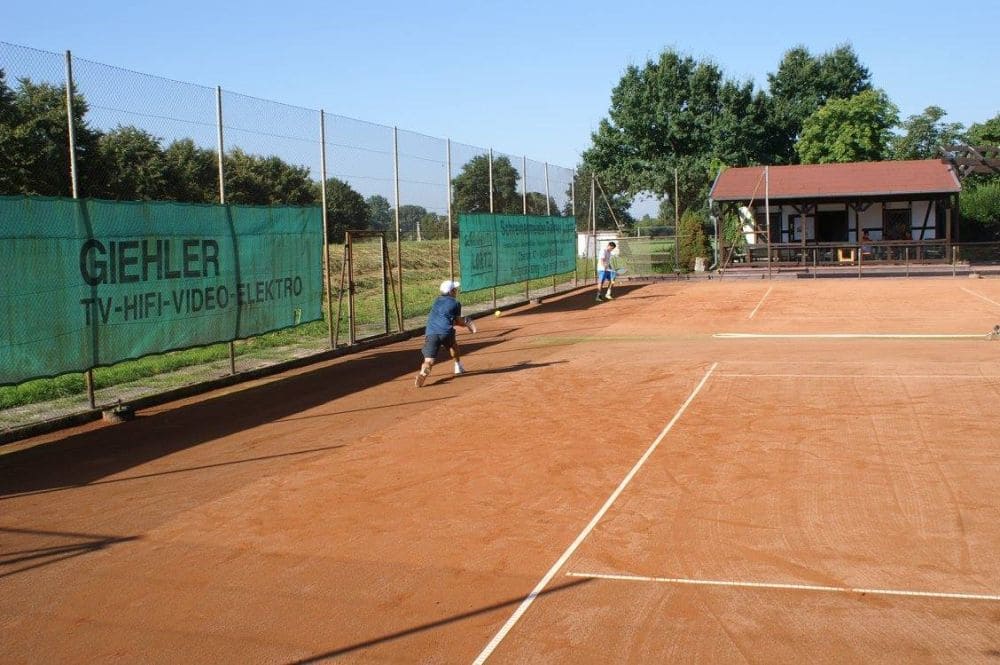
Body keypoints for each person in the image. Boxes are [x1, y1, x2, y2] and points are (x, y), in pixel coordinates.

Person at [415, 280, 476, 387]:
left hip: (431, 333)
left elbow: (447, 318)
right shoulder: (456, 303)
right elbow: (457, 321)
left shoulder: (437, 301)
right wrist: (467, 323)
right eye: (455, 289)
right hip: (445, 332)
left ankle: (423, 371)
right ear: (451, 291)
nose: (456, 291)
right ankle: (458, 366)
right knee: (453, 346)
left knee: (429, 360)